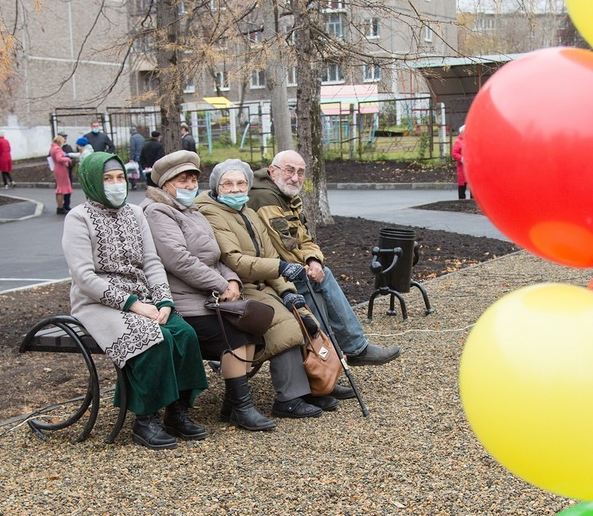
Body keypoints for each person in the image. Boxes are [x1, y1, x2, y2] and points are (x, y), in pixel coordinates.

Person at [63, 151, 209, 449]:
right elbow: (84, 278)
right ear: (92, 182)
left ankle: (176, 411)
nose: (116, 184)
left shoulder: (135, 212)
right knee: (152, 337)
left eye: (119, 178)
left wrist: (165, 301)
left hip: (144, 296)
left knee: (183, 333)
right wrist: (134, 304)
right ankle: (145, 420)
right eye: (107, 179)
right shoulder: (78, 218)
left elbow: (152, 262)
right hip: (98, 302)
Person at [141, 151, 276, 431]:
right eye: (183, 179)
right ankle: (241, 407)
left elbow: (216, 258)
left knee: (252, 331)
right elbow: (178, 260)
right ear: (166, 183)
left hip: (210, 298)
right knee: (235, 337)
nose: (190, 185)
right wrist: (220, 284)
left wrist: (233, 281)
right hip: (184, 302)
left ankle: (232, 404)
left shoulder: (192, 211)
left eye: (193, 179)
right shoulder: (158, 212)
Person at [198, 158, 340, 419]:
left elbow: (271, 254)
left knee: (303, 314)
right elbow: (234, 260)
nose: (235, 189)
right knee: (285, 325)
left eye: (241, 183)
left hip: (262, 283)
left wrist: (287, 291)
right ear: (216, 188)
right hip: (240, 286)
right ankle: (289, 398)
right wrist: (281, 271)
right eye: (227, 184)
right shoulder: (211, 213)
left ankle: (315, 384)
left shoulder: (248, 212)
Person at [248, 150, 401, 367]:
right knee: (317, 280)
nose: (295, 177)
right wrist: (311, 266)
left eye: (301, 173)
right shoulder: (265, 197)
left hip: (288, 268)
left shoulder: (285, 194)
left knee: (318, 279)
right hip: (270, 275)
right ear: (273, 171)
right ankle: (349, 351)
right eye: (289, 170)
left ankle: (331, 364)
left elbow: (305, 238)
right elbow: (285, 247)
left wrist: (313, 260)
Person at [49, 134, 73, 215]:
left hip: (57, 168)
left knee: (60, 189)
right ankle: (60, 207)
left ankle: (60, 206)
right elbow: (59, 158)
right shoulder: (57, 149)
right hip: (61, 169)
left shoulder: (53, 148)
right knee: (61, 189)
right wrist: (68, 159)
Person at [451, 125, 468, 201]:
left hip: (471, 167)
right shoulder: (458, 142)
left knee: (473, 186)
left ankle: (472, 200)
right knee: (462, 185)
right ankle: (462, 201)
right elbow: (454, 153)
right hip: (462, 167)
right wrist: (462, 159)